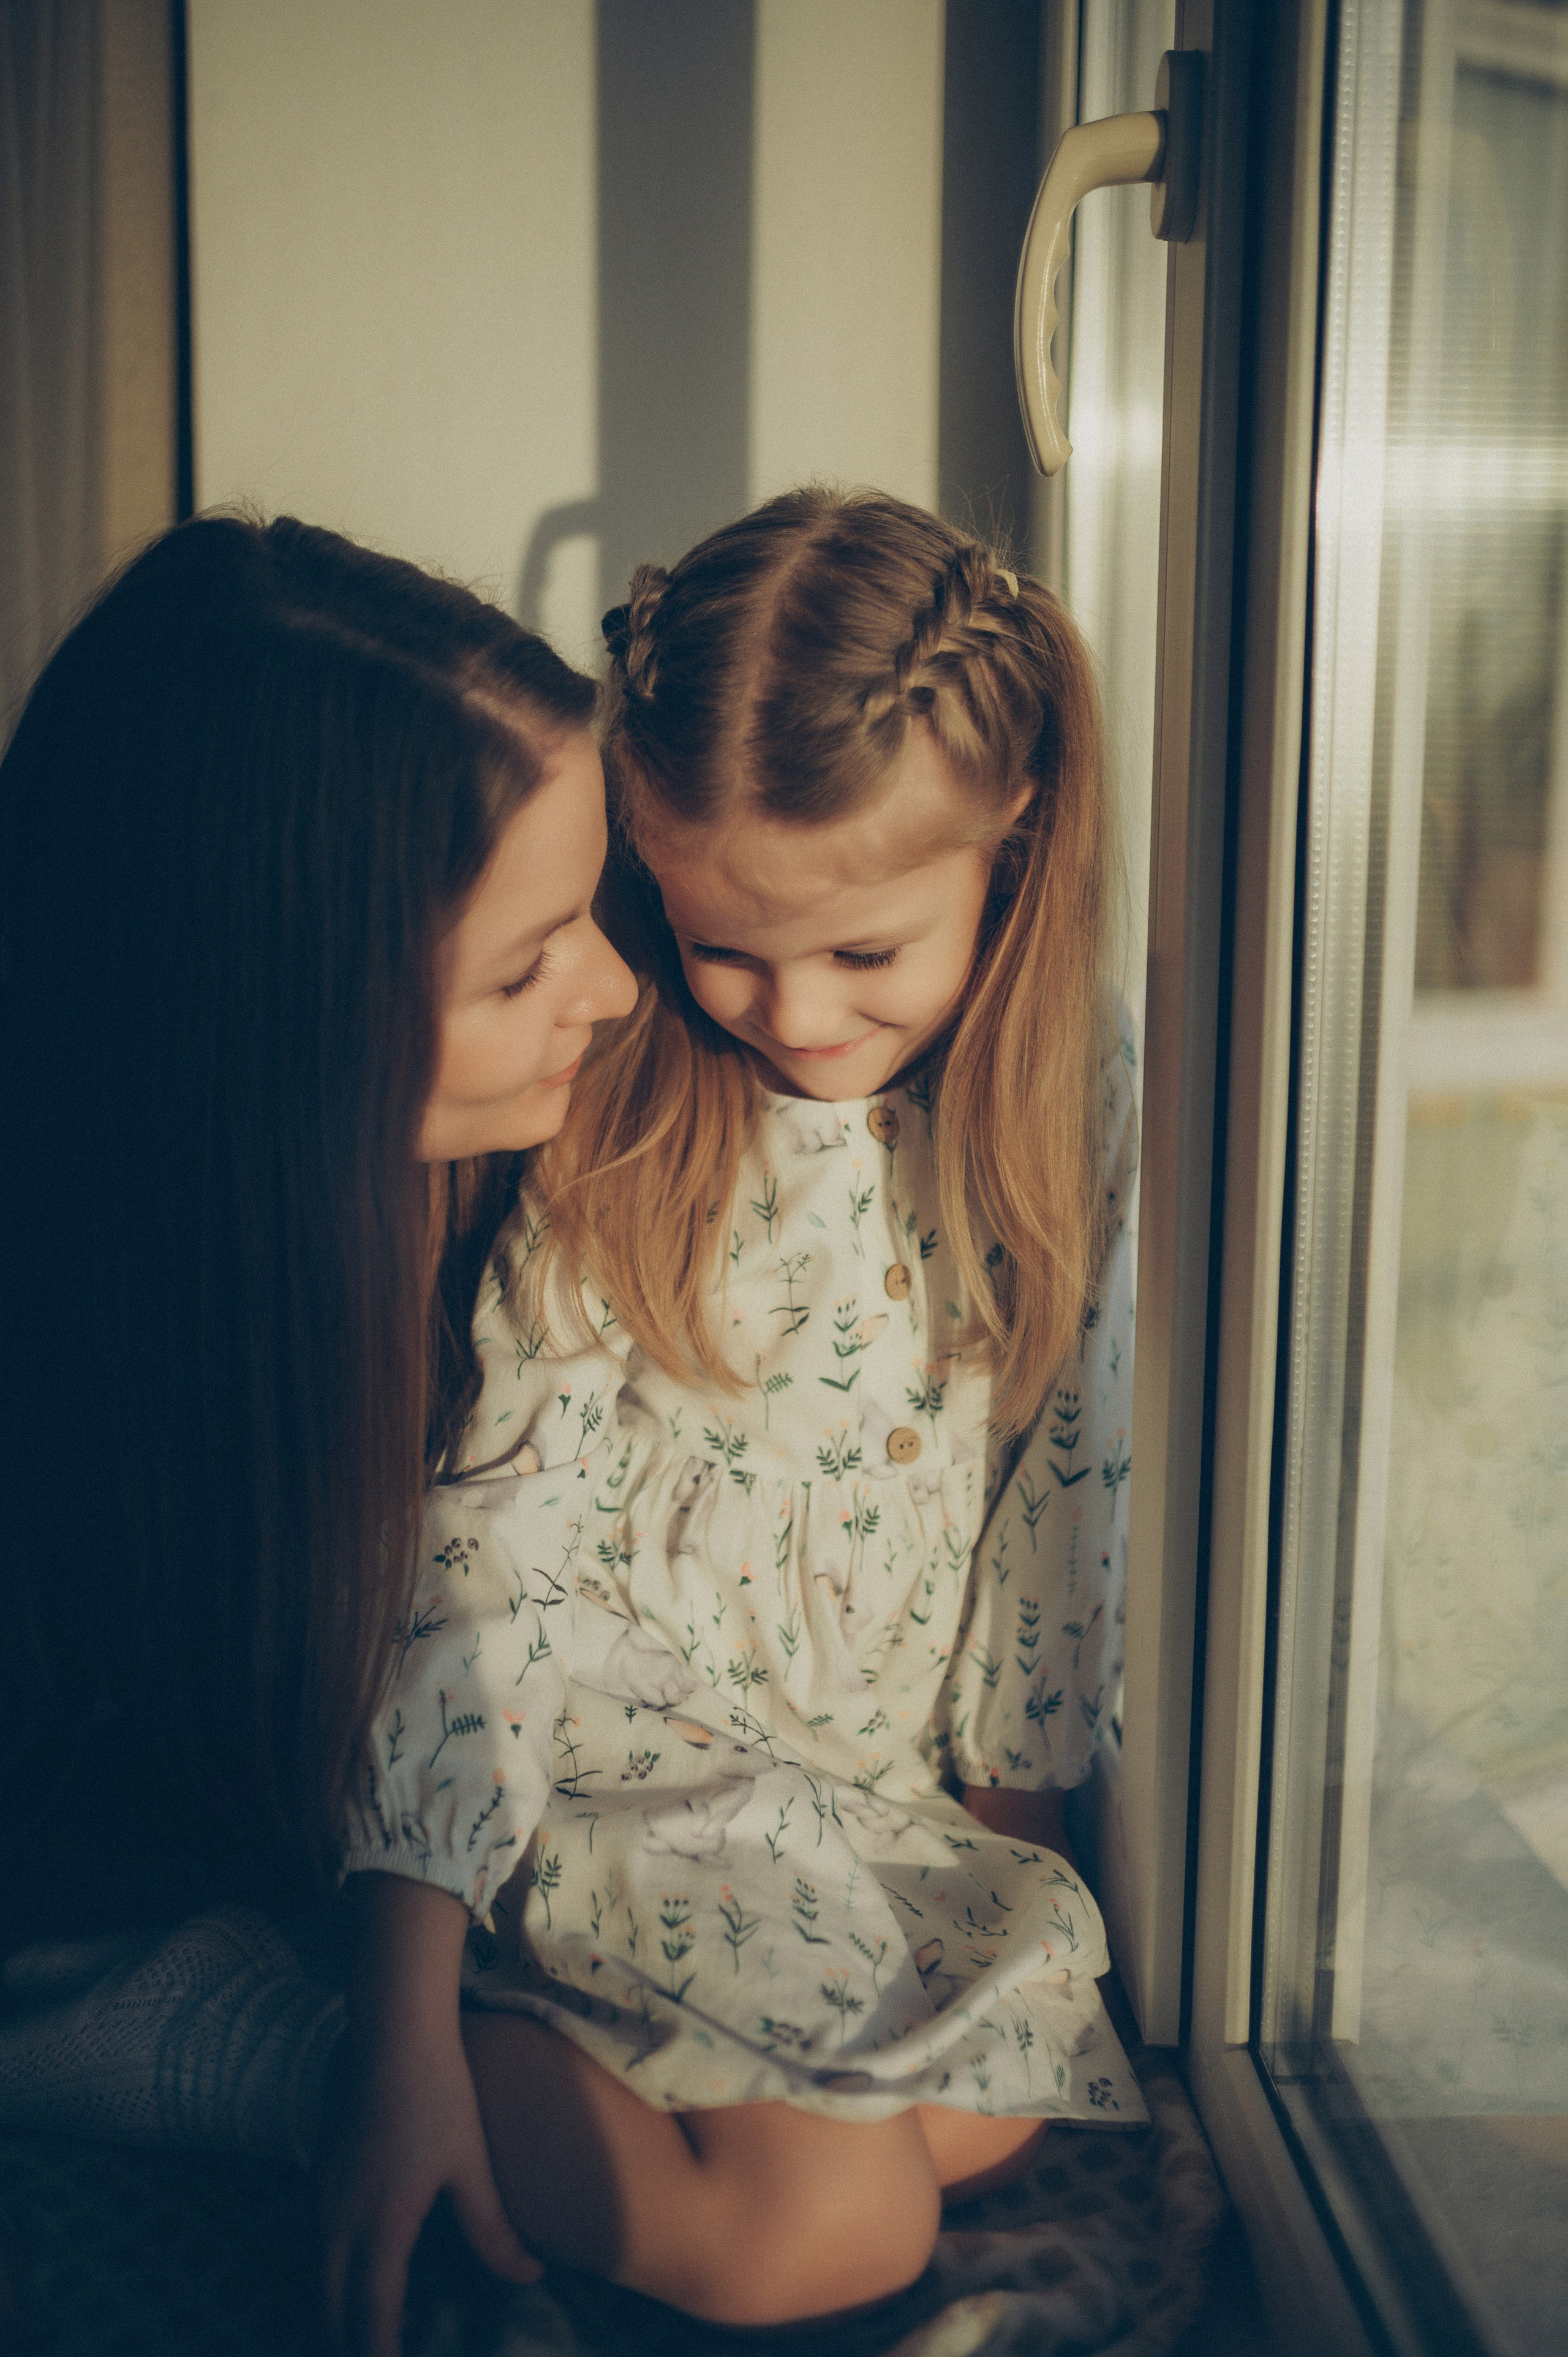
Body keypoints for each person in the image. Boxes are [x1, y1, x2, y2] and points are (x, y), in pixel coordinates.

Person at [331, 489, 1142, 2348]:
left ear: (1012, 834)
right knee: (832, 2235)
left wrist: (1008, 1884)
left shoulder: (1077, 1086)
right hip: (621, 1772)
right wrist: (412, 1972)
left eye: (863, 952)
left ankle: (536, 2082)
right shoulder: (624, 1084)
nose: (790, 1012)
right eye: (725, 946)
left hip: (853, 1806)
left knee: (991, 2112)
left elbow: (1063, 1503)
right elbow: (496, 1542)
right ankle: (353, 2058)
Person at [0, 510, 635, 2228]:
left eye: (590, 914)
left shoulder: (524, 1195)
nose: (620, 986)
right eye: (526, 967)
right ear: (288, 1026)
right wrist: (305, 2065)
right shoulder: (59, 1415)